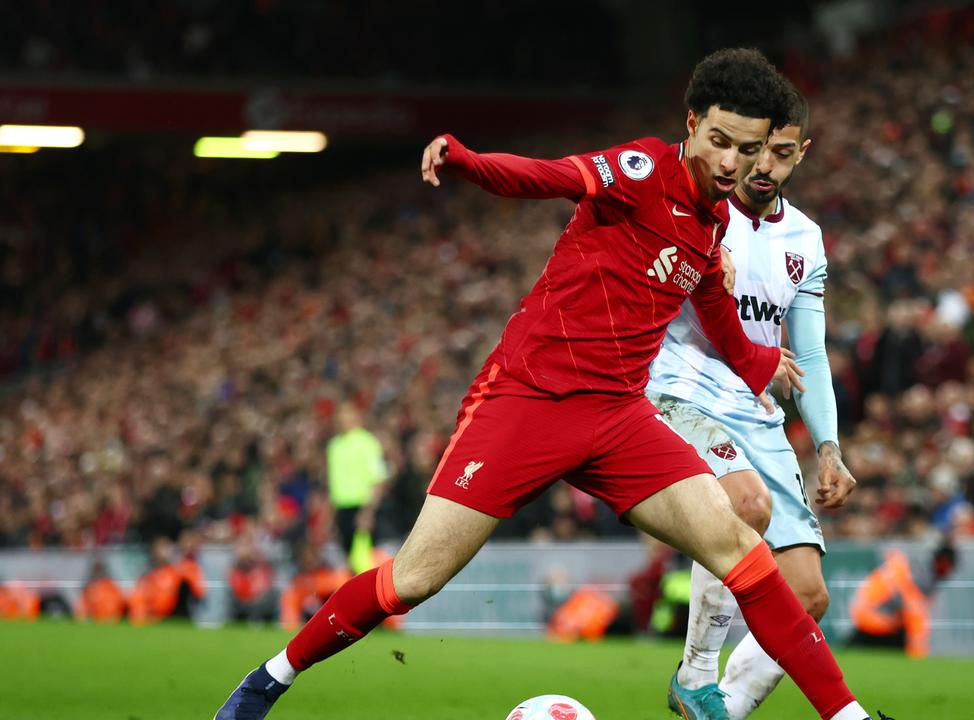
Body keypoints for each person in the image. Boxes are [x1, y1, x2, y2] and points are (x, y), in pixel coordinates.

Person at [216, 48, 888, 720]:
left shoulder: (711, 234)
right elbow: (546, 176)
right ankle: (266, 681)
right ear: (691, 124)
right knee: (415, 579)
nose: (729, 163)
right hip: (529, 403)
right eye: (717, 141)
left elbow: (730, 336)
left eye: (745, 149)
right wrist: (467, 160)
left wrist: (767, 365)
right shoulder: (641, 169)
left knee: (742, 547)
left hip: (620, 419)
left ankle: (847, 717)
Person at [647, 85, 858, 719]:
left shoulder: (806, 240)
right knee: (743, 505)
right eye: (758, 151)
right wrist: (701, 258)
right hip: (681, 391)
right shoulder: (697, 205)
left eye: (784, 154)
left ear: (802, 152)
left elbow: (811, 357)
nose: (765, 167)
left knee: (807, 596)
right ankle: (696, 673)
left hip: (757, 413)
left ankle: (719, 712)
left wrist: (828, 446)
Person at [848, 543, 957, 658]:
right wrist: (918, 654)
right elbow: (915, 615)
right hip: (879, 620)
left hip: (869, 616)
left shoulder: (916, 568)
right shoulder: (921, 577)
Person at [326, 402, 389, 568]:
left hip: (361, 507)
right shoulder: (334, 446)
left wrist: (368, 512)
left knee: (364, 561)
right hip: (342, 509)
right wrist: (333, 516)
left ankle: (373, 593)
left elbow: (378, 479)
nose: (343, 419)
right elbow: (333, 482)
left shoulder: (367, 442)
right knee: (349, 561)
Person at [229, 537, 278, 624]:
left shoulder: (261, 566)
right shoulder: (235, 569)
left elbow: (266, 584)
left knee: (273, 593)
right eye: (242, 547)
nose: (244, 551)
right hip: (243, 601)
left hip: (259, 600)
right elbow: (236, 587)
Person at [77, 558, 127, 623]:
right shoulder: (89, 588)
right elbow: (82, 607)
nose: (98, 573)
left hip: (112, 618)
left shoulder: (110, 585)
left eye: (100, 570)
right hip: (98, 620)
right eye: (96, 570)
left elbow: (120, 601)